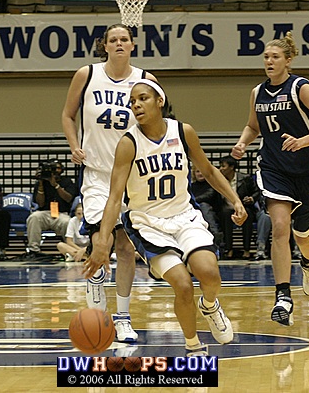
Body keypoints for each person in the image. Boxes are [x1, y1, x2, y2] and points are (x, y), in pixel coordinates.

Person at [83, 80, 247, 357]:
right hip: (148, 224)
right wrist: (102, 240)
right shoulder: (129, 143)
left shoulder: (183, 132)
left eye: (142, 98)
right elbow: (114, 198)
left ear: (159, 101)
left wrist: (235, 199)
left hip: (184, 216)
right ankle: (193, 344)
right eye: (132, 101)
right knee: (182, 284)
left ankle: (209, 305)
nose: (136, 105)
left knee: (210, 274)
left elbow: (207, 170)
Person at [231, 31, 309, 327]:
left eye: (275, 57)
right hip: (274, 169)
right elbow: (253, 126)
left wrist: (302, 141)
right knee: (280, 227)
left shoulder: (301, 88)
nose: (269, 61)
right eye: (266, 57)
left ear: (288, 61)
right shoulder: (257, 92)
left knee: (303, 235)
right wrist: (242, 142)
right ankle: (283, 296)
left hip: (308, 170)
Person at [62, 23, 159, 343]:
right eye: (113, 39)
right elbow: (67, 114)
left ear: (133, 45)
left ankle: (123, 318)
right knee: (98, 244)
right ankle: (98, 304)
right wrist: (73, 144)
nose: (119, 43)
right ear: (104, 45)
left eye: (124, 39)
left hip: (133, 176)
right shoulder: (86, 75)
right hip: (96, 175)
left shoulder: (146, 81)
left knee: (126, 246)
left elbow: (160, 124)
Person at [25, 159, 78, 258]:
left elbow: (68, 198)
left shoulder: (67, 181)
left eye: (57, 168)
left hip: (62, 213)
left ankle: (69, 251)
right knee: (34, 217)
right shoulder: (42, 182)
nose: (55, 171)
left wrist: (56, 185)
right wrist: (41, 184)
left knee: (68, 221)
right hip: (45, 213)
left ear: (62, 170)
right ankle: (34, 250)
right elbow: (40, 203)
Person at [218, 155, 259, 259]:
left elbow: (256, 192)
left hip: (244, 207)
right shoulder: (218, 179)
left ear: (231, 167)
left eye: (223, 166)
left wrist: (251, 198)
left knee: (248, 215)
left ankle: (246, 250)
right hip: (226, 208)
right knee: (225, 214)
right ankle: (229, 249)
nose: (220, 169)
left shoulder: (245, 178)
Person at [190, 165, 222, 251]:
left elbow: (209, 196)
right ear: (194, 173)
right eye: (197, 171)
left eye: (202, 172)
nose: (200, 174)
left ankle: (215, 235)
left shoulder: (212, 185)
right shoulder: (191, 186)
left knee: (204, 205)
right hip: (194, 213)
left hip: (213, 213)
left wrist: (193, 200)